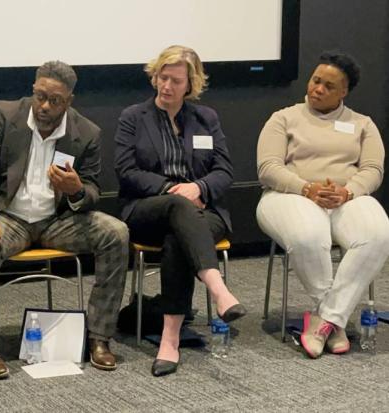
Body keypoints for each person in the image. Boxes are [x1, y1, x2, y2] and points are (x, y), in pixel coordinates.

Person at [0, 60, 129, 377]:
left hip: (57, 221)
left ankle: (99, 338)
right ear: (33, 89)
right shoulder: (3, 114)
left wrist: (77, 191)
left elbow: (93, 188)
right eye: (40, 96)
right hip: (9, 217)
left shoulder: (87, 132)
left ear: (68, 101)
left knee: (116, 233)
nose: (44, 106)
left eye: (55, 101)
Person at [114, 45, 246, 377]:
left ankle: (169, 340)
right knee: (176, 207)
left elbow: (224, 172)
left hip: (202, 213)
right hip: (147, 209)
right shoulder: (133, 117)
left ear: (191, 85)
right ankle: (218, 289)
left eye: (175, 80)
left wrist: (199, 188)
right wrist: (174, 190)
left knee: (178, 238)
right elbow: (127, 171)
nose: (166, 86)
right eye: (162, 77)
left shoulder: (207, 119)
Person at [256, 51, 389, 359]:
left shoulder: (362, 124)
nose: (317, 89)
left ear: (344, 92)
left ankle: (326, 319)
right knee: (309, 236)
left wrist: (348, 192)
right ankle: (335, 321)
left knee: (378, 235)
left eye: (329, 86)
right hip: (288, 196)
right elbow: (268, 168)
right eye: (316, 80)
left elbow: (372, 169)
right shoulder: (283, 118)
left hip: (346, 197)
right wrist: (306, 188)